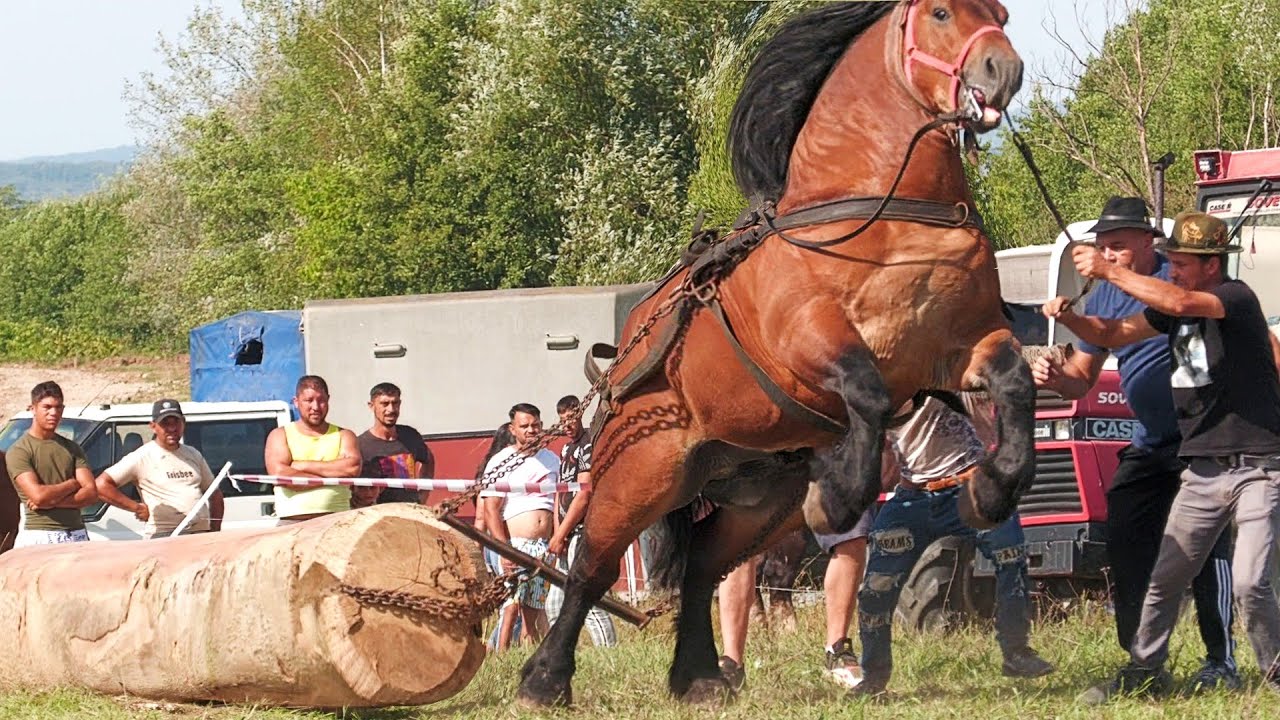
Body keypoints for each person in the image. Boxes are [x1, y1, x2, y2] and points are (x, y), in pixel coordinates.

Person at [1044, 211, 1280, 703]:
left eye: (1182, 263)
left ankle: (1269, 672)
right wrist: (1069, 318)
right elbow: (1114, 333)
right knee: (1165, 579)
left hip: (1257, 466)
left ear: (1212, 265)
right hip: (1202, 467)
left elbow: (1180, 300)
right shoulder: (1172, 309)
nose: (1172, 270)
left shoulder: (1234, 297)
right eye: (1170, 261)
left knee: (1249, 583)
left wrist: (1107, 271)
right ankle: (1144, 669)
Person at [856, 391, 1053, 696]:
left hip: (970, 486)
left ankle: (1016, 651)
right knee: (876, 588)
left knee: (1010, 555)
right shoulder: (886, 389)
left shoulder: (946, 374)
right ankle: (873, 678)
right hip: (912, 497)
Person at [479, 403, 558, 650]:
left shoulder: (551, 460)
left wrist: (558, 539)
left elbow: (559, 502)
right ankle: (500, 657)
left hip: (543, 545)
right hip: (514, 543)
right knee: (510, 606)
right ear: (513, 429)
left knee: (534, 608)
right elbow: (491, 510)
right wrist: (504, 550)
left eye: (535, 425)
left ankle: (530, 654)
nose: (531, 430)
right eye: (525, 426)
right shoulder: (501, 461)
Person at [545, 395, 618, 647]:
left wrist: (561, 534)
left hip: (582, 531)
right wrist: (558, 533)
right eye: (562, 420)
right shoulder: (566, 449)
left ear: (580, 414)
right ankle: (558, 652)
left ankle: (609, 652)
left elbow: (584, 494)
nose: (567, 424)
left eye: (571, 418)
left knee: (588, 598)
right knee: (554, 604)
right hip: (566, 533)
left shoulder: (588, 444)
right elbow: (560, 493)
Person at [94, 399, 223, 538]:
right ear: (153, 426)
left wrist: (214, 530)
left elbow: (215, 494)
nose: (172, 428)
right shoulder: (142, 457)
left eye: (176, 422)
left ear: (183, 423)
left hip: (199, 535)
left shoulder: (193, 454)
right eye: (165, 423)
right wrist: (136, 508)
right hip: (164, 535)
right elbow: (101, 485)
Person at [5, 381, 97, 546]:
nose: (53, 413)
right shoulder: (19, 451)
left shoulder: (72, 448)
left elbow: (91, 493)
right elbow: (38, 497)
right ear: (33, 408)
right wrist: (72, 484)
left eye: (58, 407)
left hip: (76, 533)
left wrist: (53, 502)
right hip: (40, 533)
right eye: (47, 407)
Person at [264, 375, 361, 523]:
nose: (315, 407)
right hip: (291, 523)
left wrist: (301, 466)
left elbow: (351, 469)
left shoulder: (344, 435)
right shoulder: (280, 435)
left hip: (338, 522)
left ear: (328, 400)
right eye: (309, 400)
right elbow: (281, 475)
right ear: (296, 402)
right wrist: (331, 478)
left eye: (321, 400)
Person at [354, 382, 434, 508]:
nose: (391, 409)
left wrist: (423, 494)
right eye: (384, 404)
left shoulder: (410, 435)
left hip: (411, 511)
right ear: (371, 406)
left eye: (395, 403)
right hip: (379, 515)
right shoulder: (361, 444)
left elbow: (428, 460)